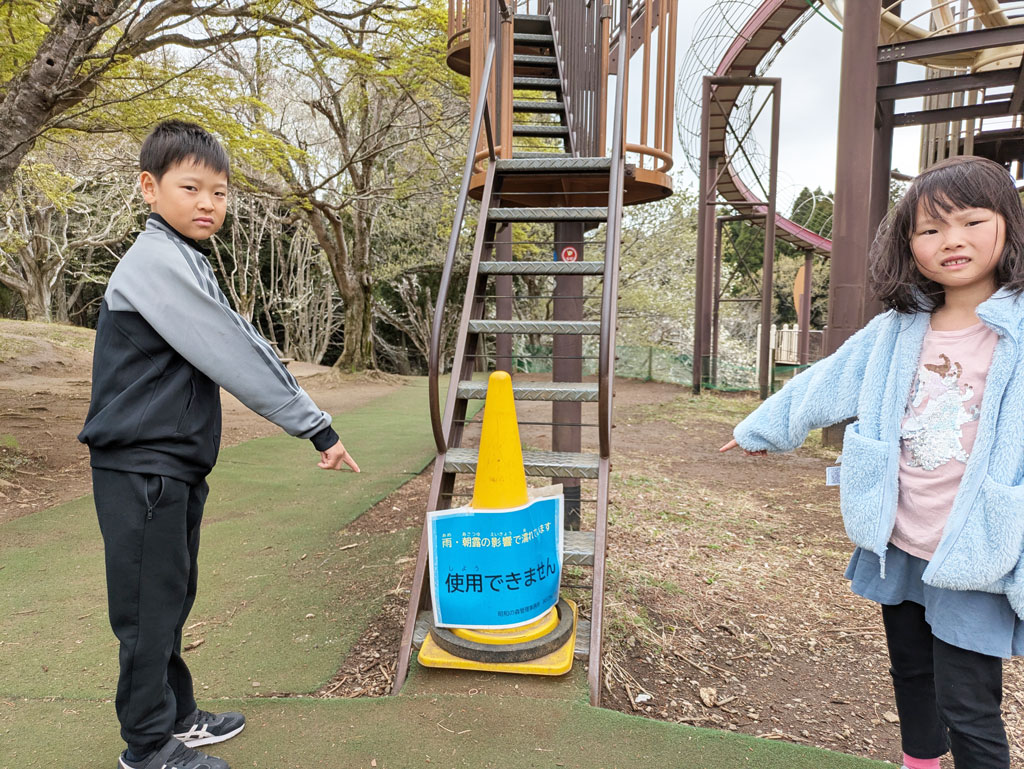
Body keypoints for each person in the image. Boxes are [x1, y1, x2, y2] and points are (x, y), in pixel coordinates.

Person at [720, 155, 1023, 769]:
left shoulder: (1017, 329)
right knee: (910, 672)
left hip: (978, 546)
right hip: (901, 535)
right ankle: (919, 763)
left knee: (968, 702)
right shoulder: (898, 327)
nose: (952, 241)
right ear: (909, 244)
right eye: (931, 229)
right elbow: (830, 378)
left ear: (1009, 226)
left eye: (971, 222)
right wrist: (763, 428)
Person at [78, 120, 361, 769]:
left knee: (171, 596)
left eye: (220, 192)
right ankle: (147, 746)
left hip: (169, 463)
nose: (208, 203)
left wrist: (311, 417)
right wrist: (314, 424)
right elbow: (232, 349)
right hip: (141, 465)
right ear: (149, 188)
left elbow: (239, 334)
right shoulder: (156, 261)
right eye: (191, 187)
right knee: (149, 609)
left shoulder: (185, 258)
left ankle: (178, 715)